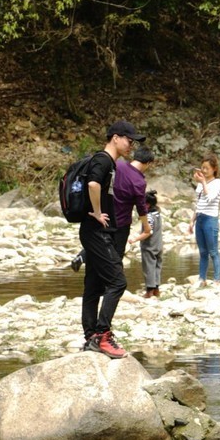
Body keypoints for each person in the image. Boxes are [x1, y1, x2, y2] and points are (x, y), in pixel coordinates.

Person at [78, 120, 145, 358]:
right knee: (118, 282)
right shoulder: (104, 160)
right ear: (115, 138)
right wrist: (96, 212)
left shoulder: (111, 163)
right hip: (95, 232)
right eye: (129, 140)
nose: (131, 145)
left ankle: (90, 337)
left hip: (95, 232)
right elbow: (93, 183)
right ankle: (102, 335)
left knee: (94, 286)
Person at [70, 147, 155, 272]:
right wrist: (146, 227)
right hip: (121, 222)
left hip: (103, 214)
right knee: (115, 256)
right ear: (148, 163)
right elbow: (141, 207)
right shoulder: (139, 181)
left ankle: (82, 257)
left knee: (100, 245)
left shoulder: (118, 164)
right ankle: (112, 285)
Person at [187, 153, 220, 286]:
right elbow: (199, 203)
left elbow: (210, 199)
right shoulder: (200, 185)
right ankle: (202, 279)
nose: (204, 170)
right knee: (202, 252)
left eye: (207, 168)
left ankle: (217, 279)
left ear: (214, 169)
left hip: (210, 219)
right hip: (200, 219)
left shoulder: (217, 183)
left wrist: (203, 182)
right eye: (202, 167)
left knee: (213, 251)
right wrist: (192, 221)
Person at [140, 189, 163, 297]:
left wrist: (135, 239)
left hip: (149, 246)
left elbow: (148, 232)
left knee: (149, 267)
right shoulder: (157, 214)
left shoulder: (149, 216)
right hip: (158, 245)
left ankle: (149, 290)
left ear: (147, 205)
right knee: (157, 266)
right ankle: (156, 289)